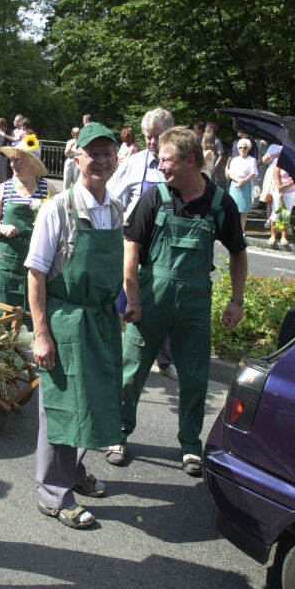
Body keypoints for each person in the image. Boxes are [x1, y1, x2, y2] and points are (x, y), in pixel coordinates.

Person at [114, 126, 247, 476]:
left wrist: (237, 300)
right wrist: (132, 296)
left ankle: (190, 445)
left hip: (194, 304)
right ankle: (118, 433)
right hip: (150, 299)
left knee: (195, 376)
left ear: (191, 161)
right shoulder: (154, 198)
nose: (160, 166)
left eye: (166, 160)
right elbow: (131, 247)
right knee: (131, 371)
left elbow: (237, 252)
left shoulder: (220, 203)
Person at [26, 122, 125, 529]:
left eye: (108, 153)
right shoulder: (58, 209)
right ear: (77, 157)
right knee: (62, 407)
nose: (101, 161)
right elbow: (35, 273)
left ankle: (75, 471)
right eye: (93, 153)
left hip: (100, 320)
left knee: (94, 400)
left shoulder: (116, 209)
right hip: (65, 320)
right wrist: (42, 333)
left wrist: (122, 307)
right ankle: (53, 493)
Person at [108, 107, 178, 387]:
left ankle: (165, 361)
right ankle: (111, 357)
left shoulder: (177, 166)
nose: (151, 142)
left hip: (165, 250)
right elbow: (111, 198)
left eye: (157, 136)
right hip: (132, 247)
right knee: (119, 304)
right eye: (148, 136)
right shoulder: (133, 164)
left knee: (162, 306)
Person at [0, 138, 55, 323]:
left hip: (37, 263)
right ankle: (5, 347)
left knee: (35, 312)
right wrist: (3, 227)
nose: (12, 164)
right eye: (11, 160)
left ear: (32, 162)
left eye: (17, 160)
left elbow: (60, 224)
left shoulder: (47, 189)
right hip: (8, 262)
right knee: (5, 313)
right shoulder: (4, 188)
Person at [226, 138, 257, 232]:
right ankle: (233, 229)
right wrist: (238, 181)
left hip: (246, 184)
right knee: (233, 208)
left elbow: (253, 173)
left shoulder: (252, 160)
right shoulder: (234, 160)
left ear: (248, 148)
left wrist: (243, 181)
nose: (242, 150)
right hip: (235, 185)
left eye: (244, 147)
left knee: (244, 209)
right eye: (240, 148)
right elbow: (230, 173)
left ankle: (242, 229)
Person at [268, 161, 295, 247]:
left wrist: (286, 186)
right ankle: (273, 235)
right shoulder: (278, 161)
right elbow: (276, 175)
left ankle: (283, 236)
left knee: (286, 214)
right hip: (278, 189)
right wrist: (280, 189)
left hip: (291, 190)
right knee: (276, 213)